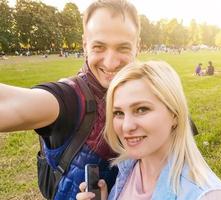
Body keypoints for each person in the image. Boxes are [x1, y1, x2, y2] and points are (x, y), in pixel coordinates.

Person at [0, 0, 140, 199]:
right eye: (99, 47)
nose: (111, 62)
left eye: (123, 48)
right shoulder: (69, 98)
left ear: (138, 46)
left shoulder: (150, 95)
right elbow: (9, 105)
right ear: (85, 45)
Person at [77, 61, 221, 200]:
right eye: (118, 113)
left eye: (141, 109)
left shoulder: (207, 196)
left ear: (174, 114)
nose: (126, 126)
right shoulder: (128, 167)